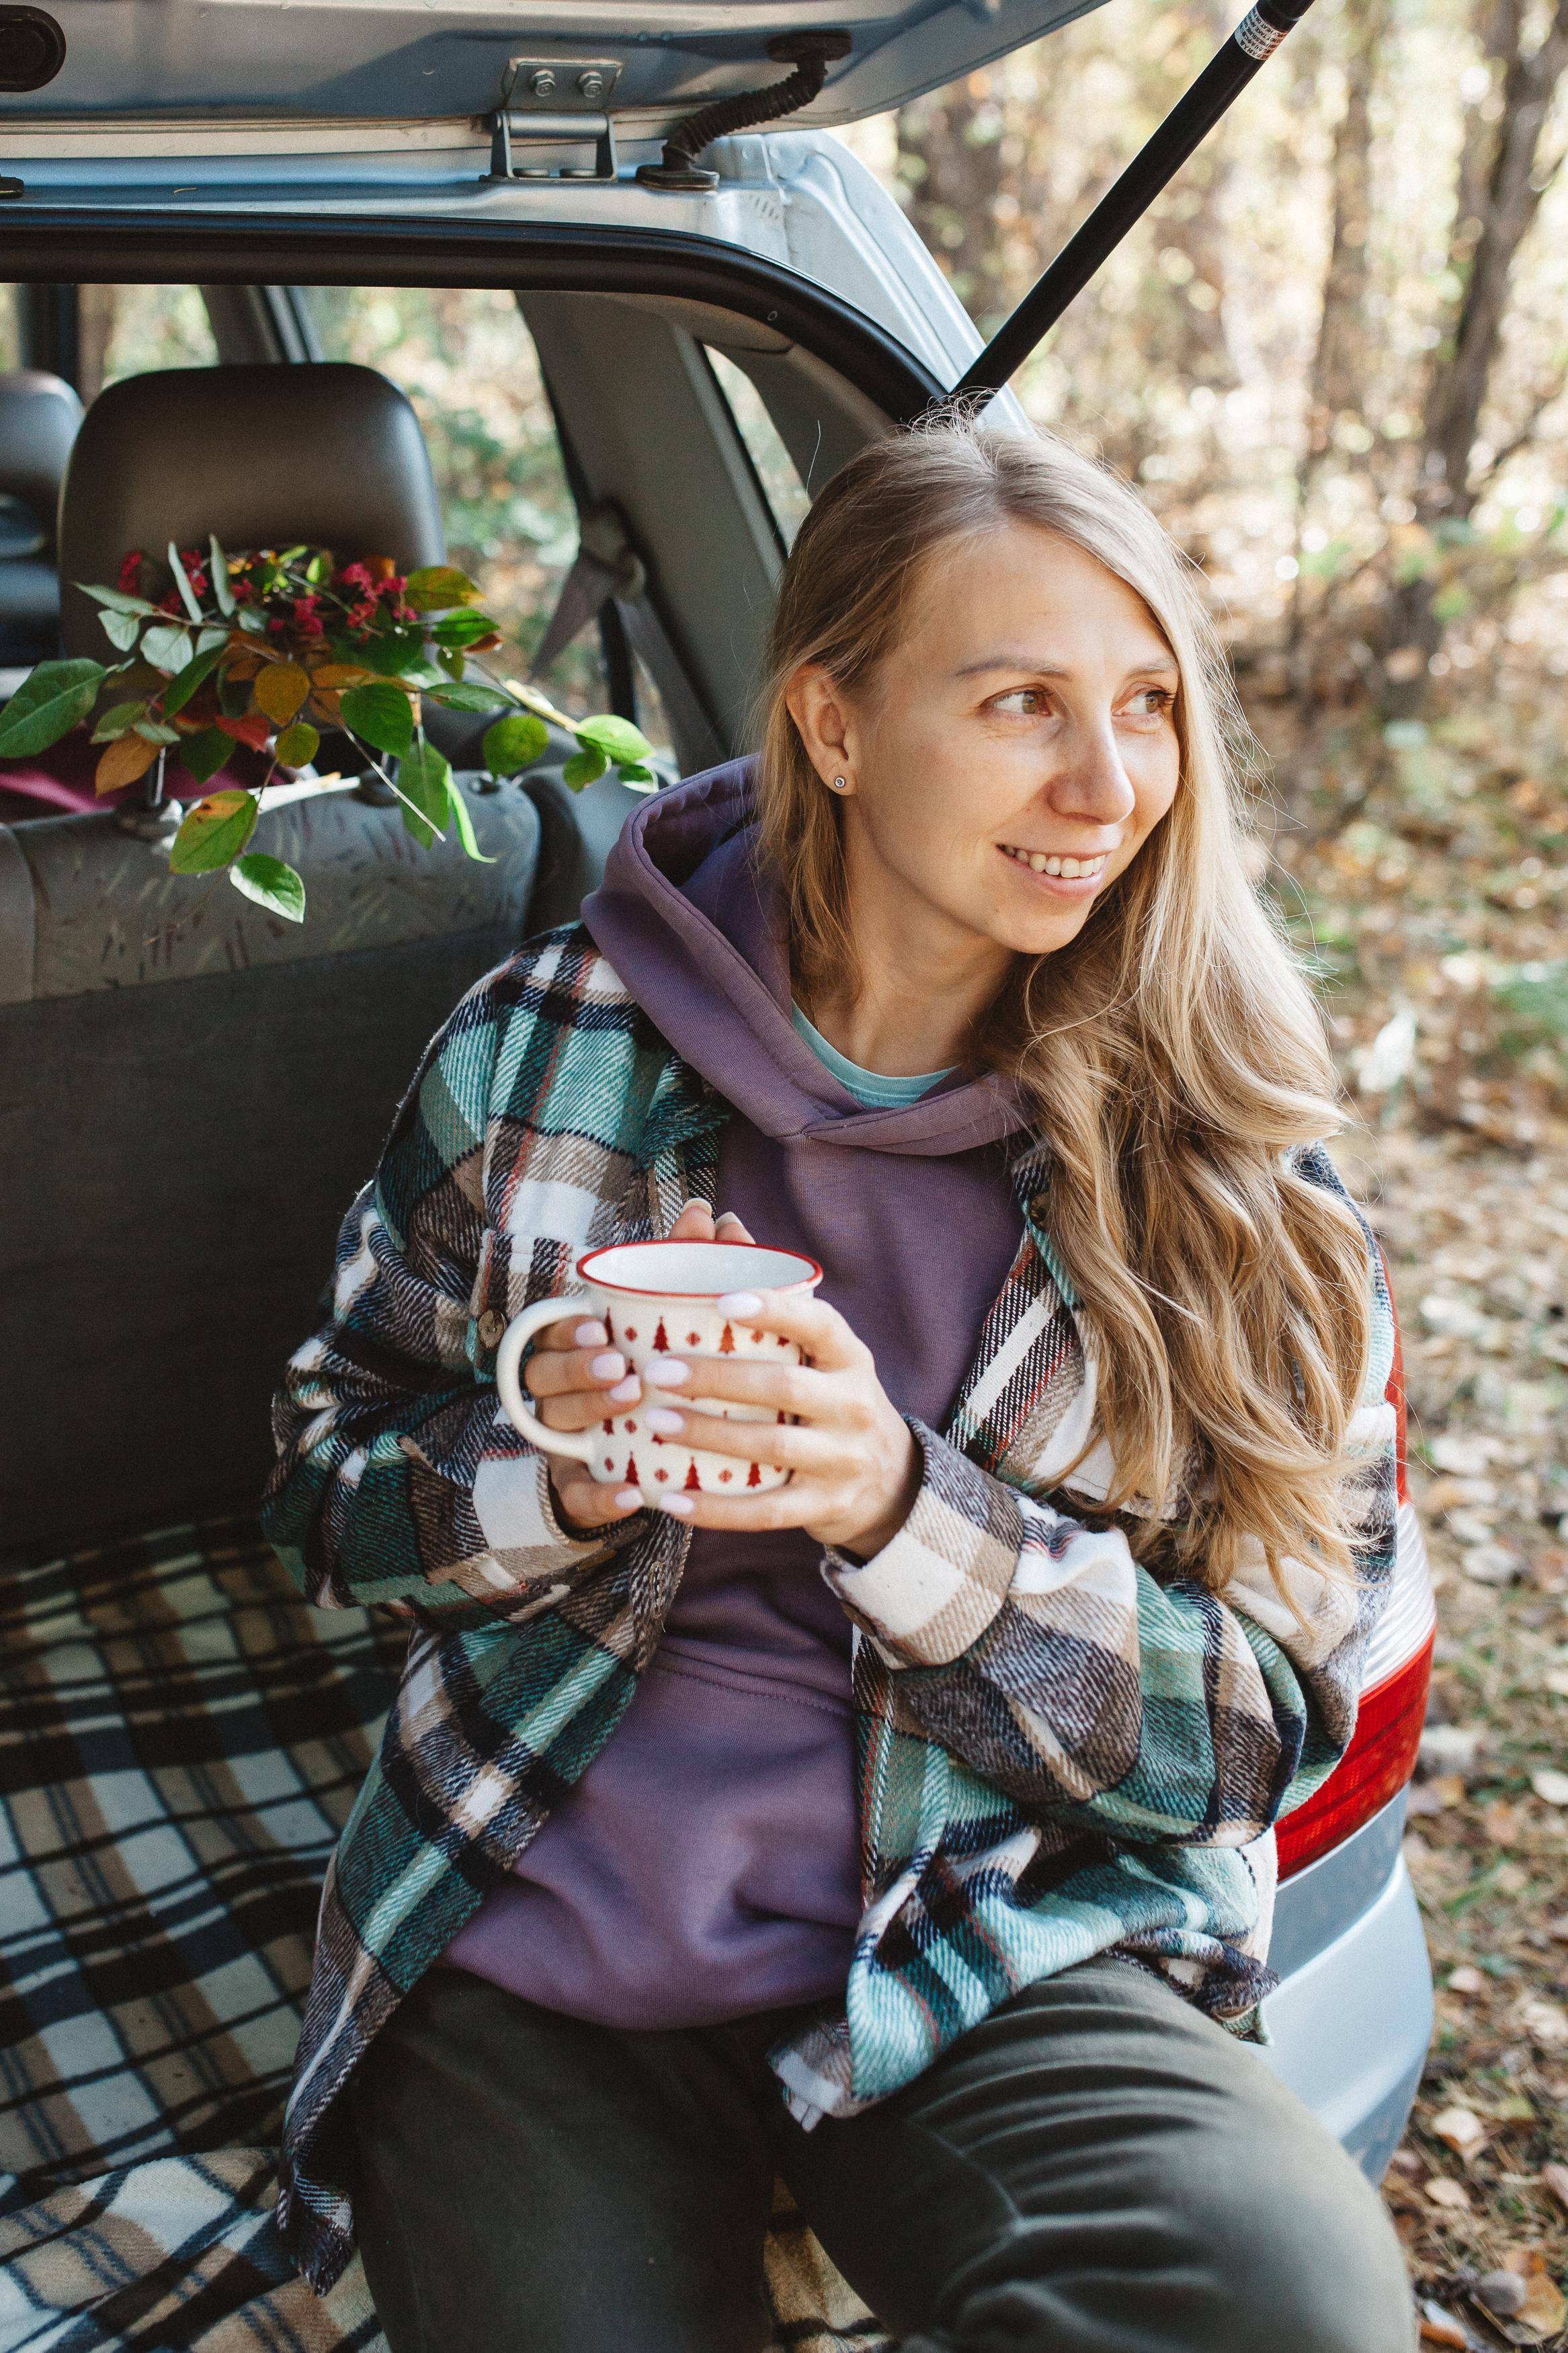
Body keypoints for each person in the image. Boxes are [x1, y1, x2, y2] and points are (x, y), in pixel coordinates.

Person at [262, 416, 1415, 2353]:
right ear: (836, 723)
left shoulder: (1229, 1165)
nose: (1107, 781)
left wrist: (901, 1511)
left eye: (1146, 704)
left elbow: (1262, 1728)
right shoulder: (550, 1044)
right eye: (1023, 701)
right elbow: (318, 1488)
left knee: (1288, 2301)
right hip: (538, 1892)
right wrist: (558, 1484)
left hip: (989, 1918)